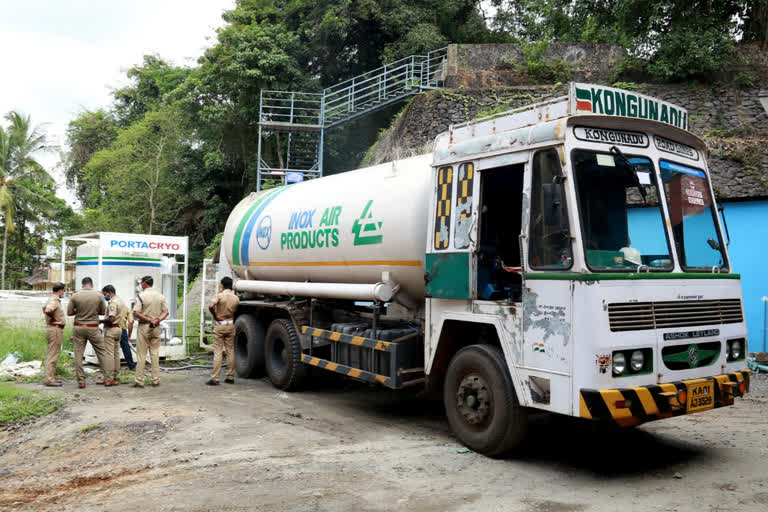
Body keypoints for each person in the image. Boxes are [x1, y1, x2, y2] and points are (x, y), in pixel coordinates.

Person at [67, 277, 113, 388]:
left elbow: (69, 312)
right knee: (102, 353)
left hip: (78, 327)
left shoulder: (75, 295)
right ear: (91, 284)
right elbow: (102, 312)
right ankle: (107, 379)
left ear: (82, 284)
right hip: (93, 327)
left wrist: (79, 311)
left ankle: (81, 381)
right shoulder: (99, 295)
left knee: (78, 354)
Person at [132, 276, 168, 388]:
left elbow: (136, 312)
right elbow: (166, 312)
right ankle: (155, 380)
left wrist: (148, 319)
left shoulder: (141, 296)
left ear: (144, 284)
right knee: (155, 354)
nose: (141, 285)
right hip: (156, 327)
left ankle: (139, 380)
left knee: (141, 355)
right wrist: (157, 319)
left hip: (144, 327)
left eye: (141, 283)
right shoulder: (160, 296)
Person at [206, 277, 240, 386]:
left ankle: (215, 378)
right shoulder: (236, 298)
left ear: (222, 285)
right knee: (230, 351)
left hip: (219, 326)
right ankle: (230, 376)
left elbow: (211, 305)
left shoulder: (219, 296)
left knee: (218, 352)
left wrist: (215, 316)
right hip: (230, 325)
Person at [41, 282, 66, 387]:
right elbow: (47, 310)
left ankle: (50, 377)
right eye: (64, 290)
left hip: (53, 328)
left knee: (52, 353)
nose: (64, 292)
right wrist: (54, 318)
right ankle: (49, 379)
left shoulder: (51, 298)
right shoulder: (54, 300)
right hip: (55, 329)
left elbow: (44, 308)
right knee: (53, 355)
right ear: (60, 290)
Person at [101, 285, 125, 384]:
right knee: (116, 354)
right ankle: (116, 377)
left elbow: (111, 318)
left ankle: (109, 378)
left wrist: (101, 321)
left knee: (109, 354)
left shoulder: (113, 303)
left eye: (105, 294)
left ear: (109, 292)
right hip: (118, 329)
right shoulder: (120, 300)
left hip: (111, 329)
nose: (104, 296)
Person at [119, 301, 136, 371]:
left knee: (111, 350)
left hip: (111, 329)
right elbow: (131, 322)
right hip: (122, 330)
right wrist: (129, 336)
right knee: (126, 348)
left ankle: (111, 367)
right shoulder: (126, 308)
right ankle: (131, 366)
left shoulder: (111, 306)